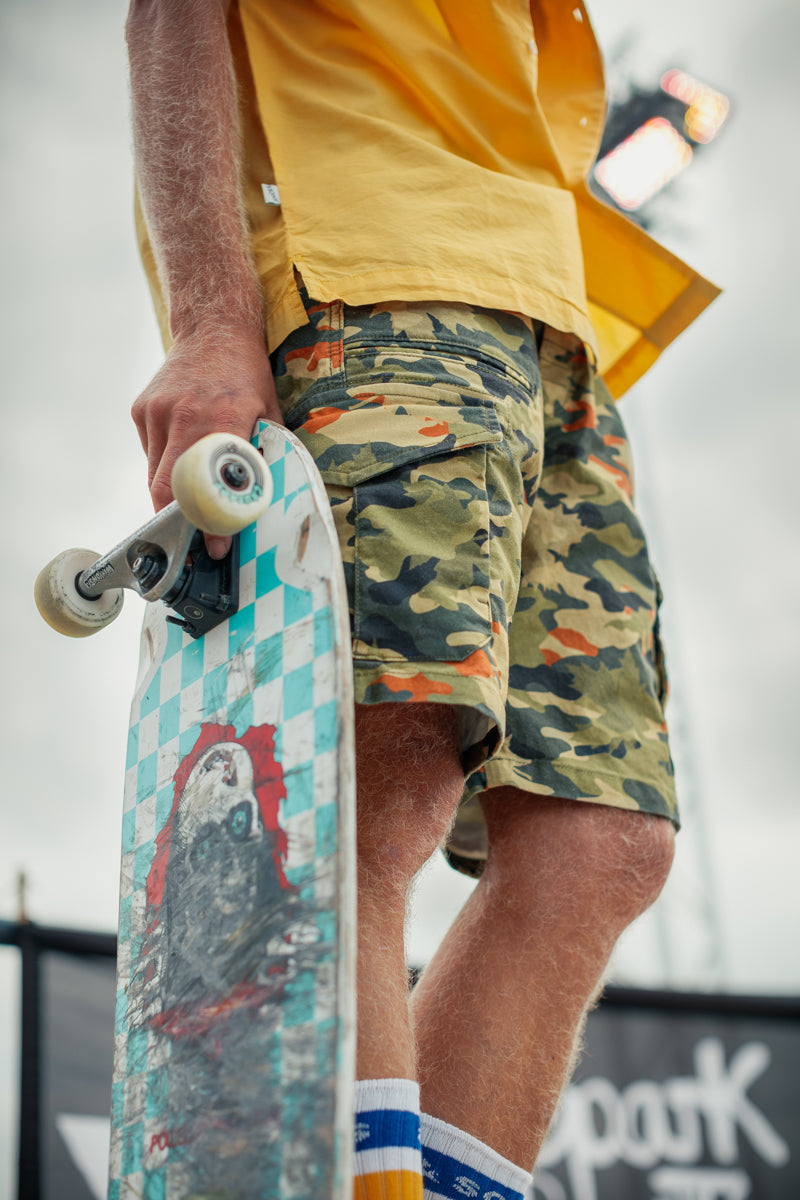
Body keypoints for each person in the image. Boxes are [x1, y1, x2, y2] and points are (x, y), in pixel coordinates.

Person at [124, 2, 718, 1197]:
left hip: (555, 319)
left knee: (599, 840)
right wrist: (208, 322)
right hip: (376, 277)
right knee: (375, 779)